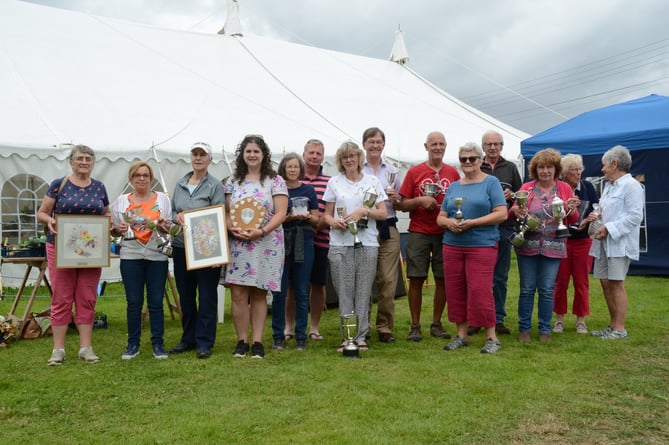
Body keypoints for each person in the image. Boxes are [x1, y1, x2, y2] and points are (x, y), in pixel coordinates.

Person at [37, 144, 110, 366]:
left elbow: (106, 213)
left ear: (93, 162)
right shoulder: (59, 185)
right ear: (71, 161)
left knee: (87, 297)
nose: (84, 162)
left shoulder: (99, 187)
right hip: (61, 249)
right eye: (80, 158)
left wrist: (112, 224)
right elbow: (42, 212)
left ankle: (85, 348)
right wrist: (49, 220)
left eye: (88, 158)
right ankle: (58, 349)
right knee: (61, 297)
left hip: (92, 251)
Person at [437, 142, 507, 353]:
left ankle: (492, 337)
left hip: (481, 244)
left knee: (480, 290)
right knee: (455, 290)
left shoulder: (491, 182)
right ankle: (461, 334)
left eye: (472, 158)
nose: (467, 162)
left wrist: (473, 222)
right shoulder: (454, 186)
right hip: (452, 244)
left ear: (480, 160)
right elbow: (440, 217)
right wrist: (449, 223)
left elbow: (502, 213)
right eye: (463, 159)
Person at [225, 135, 288, 359]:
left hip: (266, 243)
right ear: (242, 154)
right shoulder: (233, 182)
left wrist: (261, 231)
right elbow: (227, 212)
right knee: (239, 294)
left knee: (260, 293)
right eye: (248, 151)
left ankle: (258, 341)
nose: (252, 155)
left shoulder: (275, 180)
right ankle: (242, 341)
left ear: (264, 155)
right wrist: (231, 227)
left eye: (256, 151)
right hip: (239, 244)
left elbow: (281, 212)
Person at [510, 148, 579, 343]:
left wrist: (572, 207)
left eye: (549, 167)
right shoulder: (528, 187)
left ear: (556, 169)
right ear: (535, 169)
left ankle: (544, 329)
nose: (545, 171)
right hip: (527, 245)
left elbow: (572, 218)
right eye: (541, 167)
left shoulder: (564, 188)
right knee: (526, 289)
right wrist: (516, 210)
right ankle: (524, 329)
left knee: (548, 289)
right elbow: (512, 210)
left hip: (554, 245)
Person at [323, 141, 387, 351]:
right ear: (340, 161)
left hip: (367, 242)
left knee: (363, 290)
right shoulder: (334, 182)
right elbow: (326, 214)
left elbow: (383, 213)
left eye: (352, 156)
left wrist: (364, 211)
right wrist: (334, 222)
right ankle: (347, 336)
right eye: (344, 157)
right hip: (340, 243)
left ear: (360, 158)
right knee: (344, 291)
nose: (349, 160)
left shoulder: (372, 182)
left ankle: (361, 336)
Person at [397, 131, 460, 342]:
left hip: (445, 232)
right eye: (434, 144)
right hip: (418, 232)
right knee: (416, 278)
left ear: (445, 146)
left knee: (442, 279)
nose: (438, 147)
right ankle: (415, 326)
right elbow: (402, 204)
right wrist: (420, 201)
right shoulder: (415, 172)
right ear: (426, 146)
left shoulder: (453, 173)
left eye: (441, 144)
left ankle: (436, 323)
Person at [111, 162, 172, 360]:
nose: (142, 179)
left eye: (145, 175)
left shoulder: (162, 199)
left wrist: (164, 226)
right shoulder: (121, 201)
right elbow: (112, 231)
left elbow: (168, 228)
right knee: (134, 302)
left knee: (155, 302)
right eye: (137, 175)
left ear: (151, 178)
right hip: (130, 255)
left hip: (156, 255)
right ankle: (133, 344)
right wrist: (116, 230)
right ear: (131, 179)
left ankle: (158, 344)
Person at [170, 142, 225, 359]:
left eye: (203, 155)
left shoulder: (215, 186)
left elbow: (219, 215)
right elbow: (174, 209)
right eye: (195, 154)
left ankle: (204, 342)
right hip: (181, 246)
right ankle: (188, 338)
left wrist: (218, 252)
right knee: (186, 295)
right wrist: (177, 216)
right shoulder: (180, 183)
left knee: (207, 295)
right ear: (190, 157)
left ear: (210, 159)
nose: (198, 158)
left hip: (206, 249)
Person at [468, 130, 523, 336]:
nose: (492, 148)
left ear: (501, 146)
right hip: (479, 229)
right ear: (483, 147)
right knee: (477, 277)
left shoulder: (510, 168)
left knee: (499, 276)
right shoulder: (474, 165)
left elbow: (521, 194)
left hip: (503, 228)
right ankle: (476, 318)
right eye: (489, 144)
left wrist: (512, 195)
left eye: (496, 144)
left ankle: (497, 318)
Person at [588, 145, 644, 340]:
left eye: (604, 165)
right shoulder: (609, 186)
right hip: (603, 243)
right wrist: (597, 217)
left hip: (619, 243)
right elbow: (607, 210)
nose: (602, 169)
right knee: (605, 282)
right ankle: (612, 326)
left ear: (614, 164)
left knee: (616, 283)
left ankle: (620, 328)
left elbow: (635, 216)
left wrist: (609, 228)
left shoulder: (631, 186)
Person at [271, 153, 318, 351]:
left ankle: (300, 336)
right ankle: (278, 336)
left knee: (301, 289)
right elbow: (272, 216)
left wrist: (306, 217)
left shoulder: (308, 189)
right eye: (289, 166)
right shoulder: (276, 189)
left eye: (295, 166)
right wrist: (287, 218)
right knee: (279, 291)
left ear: (301, 169)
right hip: (281, 240)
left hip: (304, 240)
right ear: (283, 169)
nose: (292, 169)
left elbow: (317, 219)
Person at [284, 139, 330, 341]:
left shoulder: (329, 180)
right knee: (293, 286)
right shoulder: (286, 182)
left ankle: (314, 327)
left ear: (323, 157)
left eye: (318, 154)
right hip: (293, 239)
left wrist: (316, 222)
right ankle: (289, 326)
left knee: (318, 284)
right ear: (304, 155)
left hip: (321, 240)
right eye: (311, 153)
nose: (314, 156)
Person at [362, 127, 401, 344]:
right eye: (371, 141)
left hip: (389, 228)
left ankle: (385, 327)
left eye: (378, 141)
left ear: (383, 144)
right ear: (364, 145)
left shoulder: (393, 170)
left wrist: (397, 199)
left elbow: (402, 203)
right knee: (365, 278)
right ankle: (363, 326)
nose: (375, 145)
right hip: (365, 227)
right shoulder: (358, 170)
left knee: (387, 279)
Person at [552, 154, 599, 334]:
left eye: (580, 169)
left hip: (583, 241)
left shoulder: (587, 187)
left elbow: (597, 208)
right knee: (561, 281)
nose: (578, 173)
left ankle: (581, 320)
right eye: (574, 169)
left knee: (581, 281)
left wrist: (589, 219)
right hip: (562, 240)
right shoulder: (558, 189)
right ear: (564, 172)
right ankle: (559, 319)